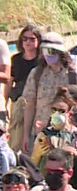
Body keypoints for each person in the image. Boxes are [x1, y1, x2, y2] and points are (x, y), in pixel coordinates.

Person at [20, 32, 77, 154]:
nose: (48, 55)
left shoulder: (75, 75)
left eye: (52, 51)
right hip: (40, 135)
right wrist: (25, 135)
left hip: (66, 137)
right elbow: (29, 105)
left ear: (60, 52)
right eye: (45, 51)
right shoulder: (36, 74)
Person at [30, 87, 77, 171]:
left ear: (69, 113)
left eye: (61, 111)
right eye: (54, 109)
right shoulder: (44, 134)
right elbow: (33, 165)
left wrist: (76, 155)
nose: (57, 114)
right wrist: (37, 155)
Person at [8, 25, 42, 158]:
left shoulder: (42, 60)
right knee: (16, 138)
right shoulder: (16, 59)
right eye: (25, 39)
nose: (28, 42)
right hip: (19, 101)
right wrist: (6, 101)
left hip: (36, 102)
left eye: (32, 39)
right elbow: (11, 81)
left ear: (38, 41)